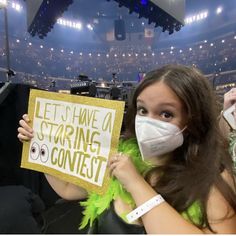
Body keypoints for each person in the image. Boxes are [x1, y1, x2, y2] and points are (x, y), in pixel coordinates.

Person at [18, 64, 236, 234]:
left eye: (166, 114)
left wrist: (135, 183)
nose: (148, 121)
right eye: (142, 110)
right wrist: (40, 142)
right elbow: (67, 189)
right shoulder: (118, 154)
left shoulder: (212, 180)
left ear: (193, 120)